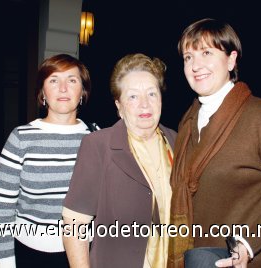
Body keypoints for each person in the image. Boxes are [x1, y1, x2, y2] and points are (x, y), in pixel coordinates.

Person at [167, 18, 261, 268]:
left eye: (206, 52)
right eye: (188, 57)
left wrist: (249, 242)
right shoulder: (188, 121)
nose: (196, 65)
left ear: (231, 59)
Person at [62, 53, 177, 268]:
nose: (145, 104)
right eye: (133, 96)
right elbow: (74, 226)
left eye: (152, 94)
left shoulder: (176, 141)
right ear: (119, 106)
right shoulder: (98, 146)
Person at [0, 54, 97, 268]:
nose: (63, 88)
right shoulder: (21, 138)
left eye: (72, 80)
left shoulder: (96, 139)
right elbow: (2, 213)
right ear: (43, 93)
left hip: (85, 253)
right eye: (53, 80)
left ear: (82, 92)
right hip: (31, 254)